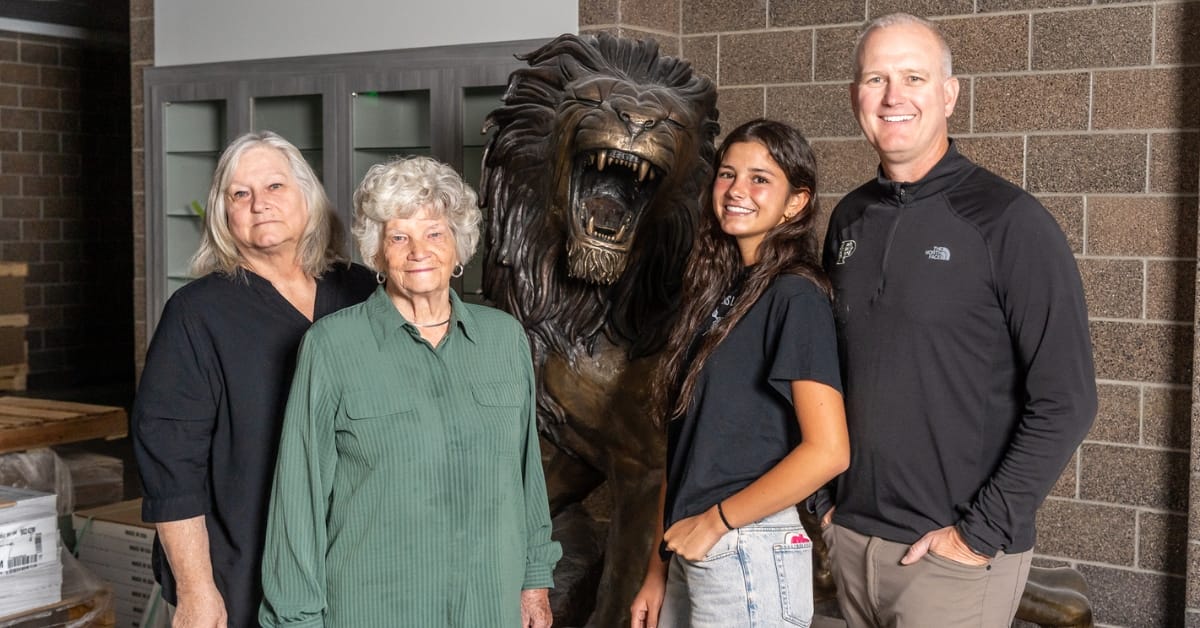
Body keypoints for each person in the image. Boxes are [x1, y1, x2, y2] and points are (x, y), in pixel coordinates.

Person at [818, 13, 1097, 627]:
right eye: (876, 79)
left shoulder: (1010, 223)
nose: (894, 97)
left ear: (949, 93)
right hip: (852, 543)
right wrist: (826, 505)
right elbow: (827, 371)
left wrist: (977, 536)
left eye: (914, 77)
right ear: (854, 97)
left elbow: (1067, 399)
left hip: (951, 558)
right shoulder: (849, 219)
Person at [258, 155, 561, 627]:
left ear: (459, 249)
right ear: (376, 253)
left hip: (488, 606)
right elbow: (298, 501)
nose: (418, 250)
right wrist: (296, 620)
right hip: (372, 609)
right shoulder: (332, 347)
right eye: (399, 236)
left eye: (435, 233)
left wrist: (534, 580)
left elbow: (526, 480)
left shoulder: (504, 340)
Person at [131, 131, 376, 627]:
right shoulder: (197, 314)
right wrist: (199, 590)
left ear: (307, 197)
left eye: (275, 187)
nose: (259, 204)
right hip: (246, 564)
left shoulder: (361, 289)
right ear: (223, 215)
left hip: (358, 557)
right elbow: (170, 466)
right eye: (240, 194)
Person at [630, 119, 850, 628]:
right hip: (694, 543)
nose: (736, 191)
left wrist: (717, 521)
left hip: (747, 541)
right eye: (727, 175)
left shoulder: (796, 296)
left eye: (759, 179)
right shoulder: (720, 296)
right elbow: (687, 449)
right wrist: (656, 568)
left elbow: (829, 450)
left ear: (796, 202)